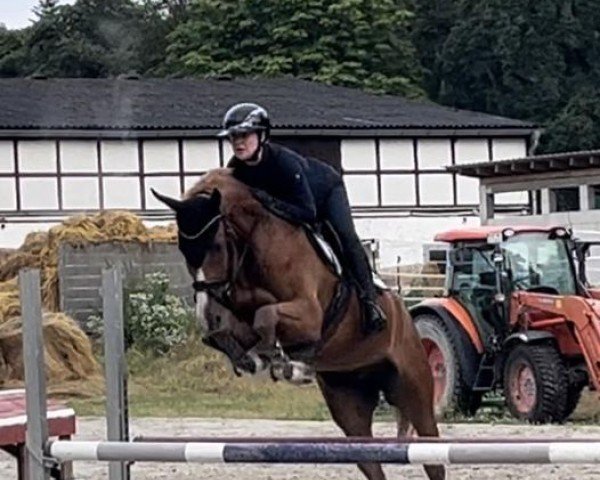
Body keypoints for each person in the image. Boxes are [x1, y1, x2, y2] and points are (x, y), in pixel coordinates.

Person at [217, 102, 386, 334]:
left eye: (244, 135)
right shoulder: (235, 169)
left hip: (324, 194)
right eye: (233, 137)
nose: (238, 142)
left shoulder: (283, 162)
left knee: (346, 237)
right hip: (289, 208)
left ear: (262, 135)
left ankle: (370, 303)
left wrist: (267, 202)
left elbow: (307, 212)